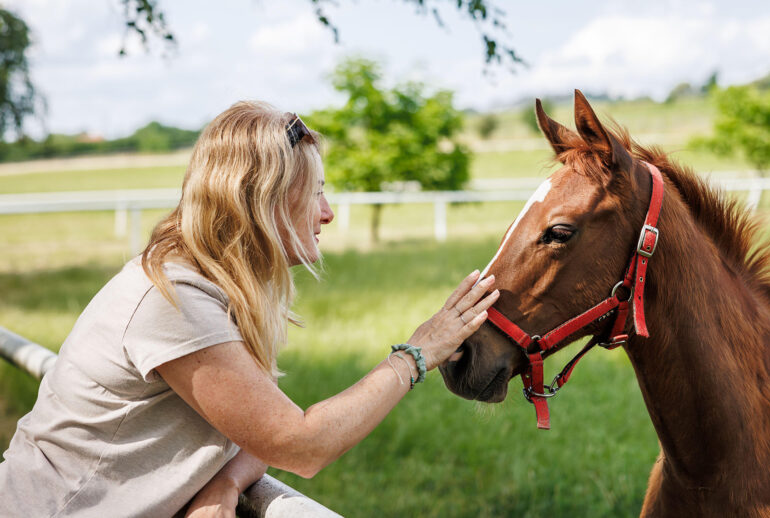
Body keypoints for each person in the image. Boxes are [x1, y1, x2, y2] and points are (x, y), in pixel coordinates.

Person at [0, 101, 499, 517]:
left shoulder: (218, 288)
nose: (328, 213)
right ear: (264, 202)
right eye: (318, 193)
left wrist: (226, 485)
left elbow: (254, 429)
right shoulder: (173, 301)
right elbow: (299, 444)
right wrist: (415, 354)